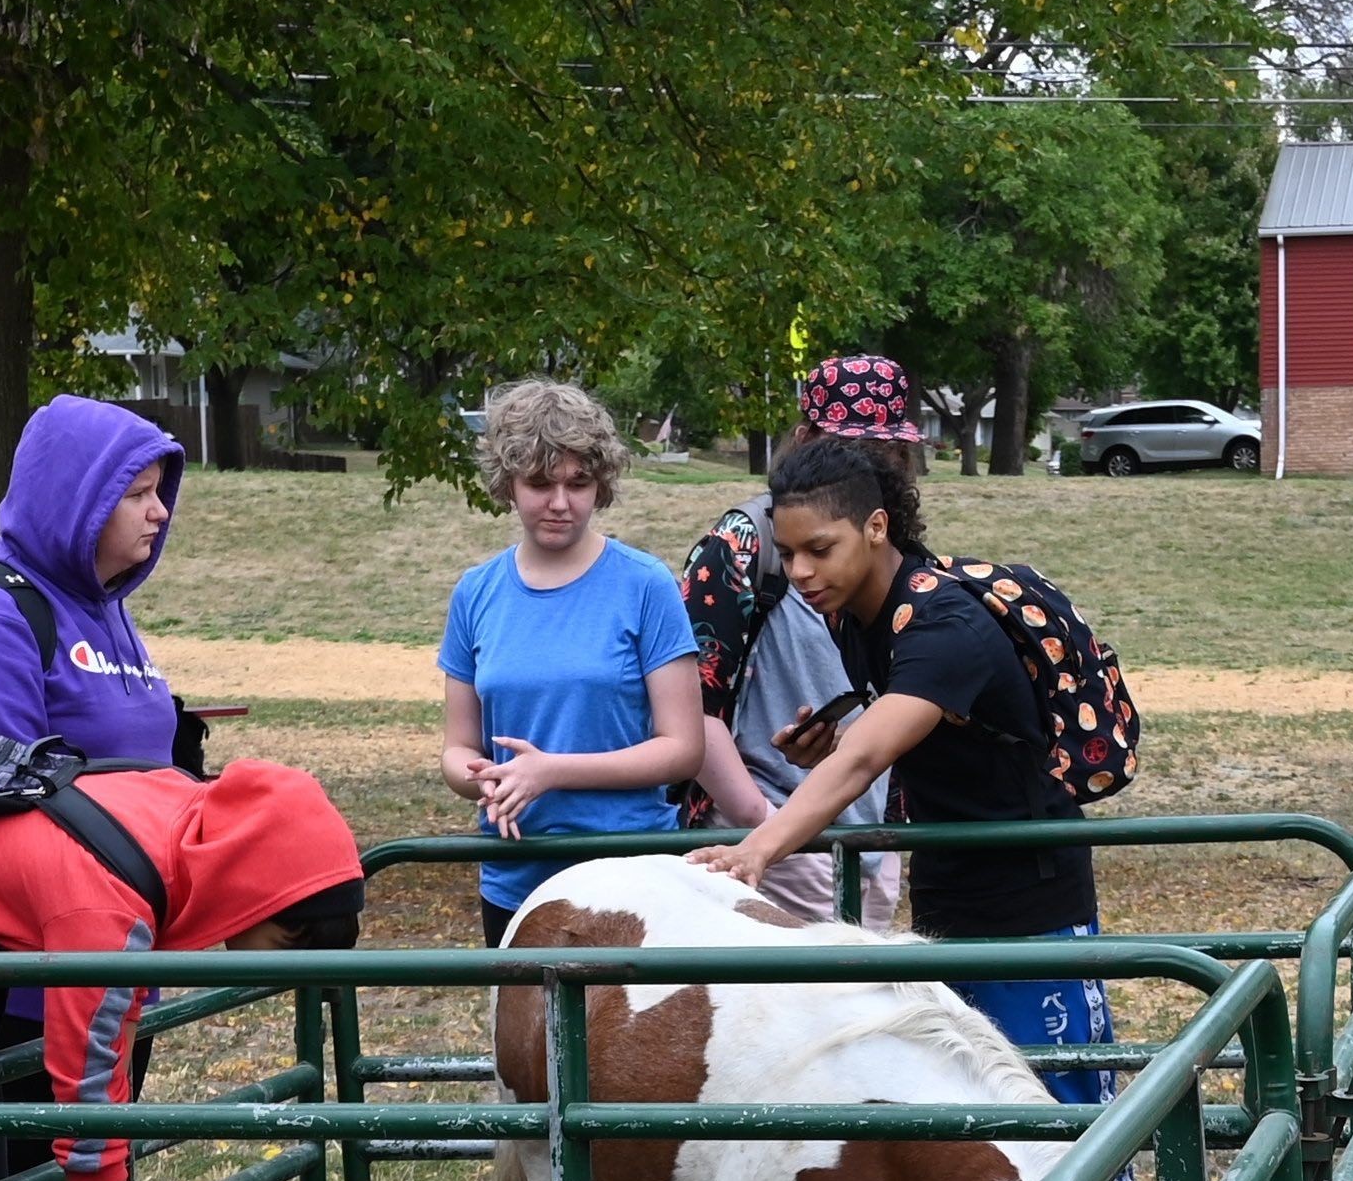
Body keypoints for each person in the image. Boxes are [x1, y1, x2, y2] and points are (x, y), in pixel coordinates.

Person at [684, 430, 1111, 1100]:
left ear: (876, 526)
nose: (799, 573)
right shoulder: (854, 616)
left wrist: (756, 850)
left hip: (1031, 896)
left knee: (1063, 1112)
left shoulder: (943, 624)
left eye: (820, 550)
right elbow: (904, 735)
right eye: (789, 552)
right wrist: (830, 737)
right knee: (976, 1115)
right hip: (949, 889)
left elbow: (865, 759)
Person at [0, 758, 369, 1181]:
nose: (281, 980)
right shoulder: (105, 904)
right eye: (285, 950)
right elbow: (88, 1098)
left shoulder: (176, 819)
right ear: (262, 896)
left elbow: (107, 1045)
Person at [432, 377, 704, 919]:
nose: (560, 503)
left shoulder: (646, 584)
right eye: (539, 482)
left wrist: (551, 771)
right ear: (507, 483)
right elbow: (457, 748)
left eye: (578, 483)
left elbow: (683, 749)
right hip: (516, 880)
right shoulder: (475, 592)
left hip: (633, 877)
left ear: (600, 486)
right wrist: (488, 779)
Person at [679, 352, 914, 918]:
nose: (869, 466)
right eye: (849, 445)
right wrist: (763, 823)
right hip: (772, 843)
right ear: (805, 437)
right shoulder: (741, 543)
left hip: (867, 841)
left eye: (886, 449)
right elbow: (692, 705)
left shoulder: (890, 547)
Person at [0, 391, 194, 767]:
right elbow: (2, 803)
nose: (159, 511)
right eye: (138, 493)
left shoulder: (104, 605)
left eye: (157, 491)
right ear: (77, 500)